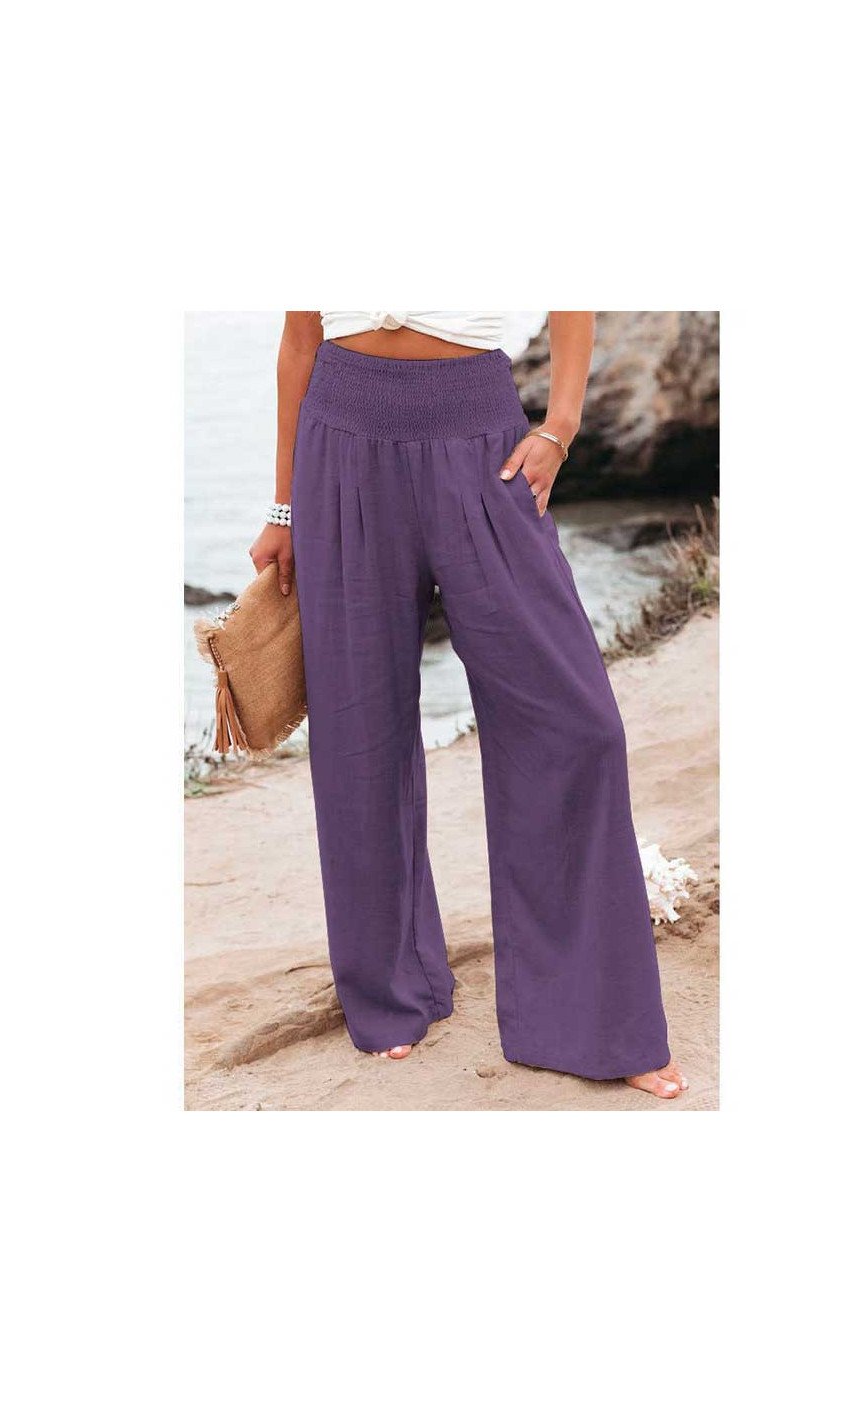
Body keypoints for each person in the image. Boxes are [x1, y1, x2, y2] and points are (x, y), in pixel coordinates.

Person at [249, 312, 687, 1099]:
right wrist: (283, 510)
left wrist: (560, 426)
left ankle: (593, 1018)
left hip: (480, 436)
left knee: (577, 726)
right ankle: (391, 989)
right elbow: (299, 340)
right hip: (340, 436)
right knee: (357, 731)